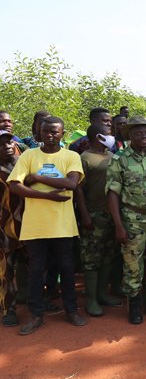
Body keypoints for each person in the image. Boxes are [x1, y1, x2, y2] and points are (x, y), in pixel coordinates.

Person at [9, 116, 87, 335]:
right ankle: (36, 315)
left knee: (67, 269)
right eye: (46, 132)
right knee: (36, 271)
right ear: (39, 133)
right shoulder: (29, 155)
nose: (50, 135)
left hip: (63, 225)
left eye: (55, 132)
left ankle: (71, 311)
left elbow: (71, 183)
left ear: (62, 133)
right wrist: (45, 196)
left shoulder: (71, 156)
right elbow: (15, 185)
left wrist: (35, 177)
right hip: (35, 226)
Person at [106, 117, 146, 324]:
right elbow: (113, 193)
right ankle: (134, 305)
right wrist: (118, 226)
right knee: (133, 263)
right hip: (133, 218)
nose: (144, 136)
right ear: (129, 136)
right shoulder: (120, 159)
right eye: (138, 133)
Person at [75, 124, 122, 318]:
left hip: (112, 214)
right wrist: (84, 214)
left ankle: (102, 293)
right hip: (94, 214)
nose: (111, 136)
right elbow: (78, 189)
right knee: (91, 259)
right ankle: (91, 299)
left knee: (108, 256)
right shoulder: (84, 158)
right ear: (98, 136)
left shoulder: (112, 156)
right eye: (108, 134)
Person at [0, 131, 21, 327]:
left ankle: (37, 303)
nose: (7, 145)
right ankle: (9, 309)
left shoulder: (21, 165)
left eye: (9, 142)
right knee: (6, 271)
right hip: (4, 230)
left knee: (34, 267)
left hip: (27, 227)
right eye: (1, 144)